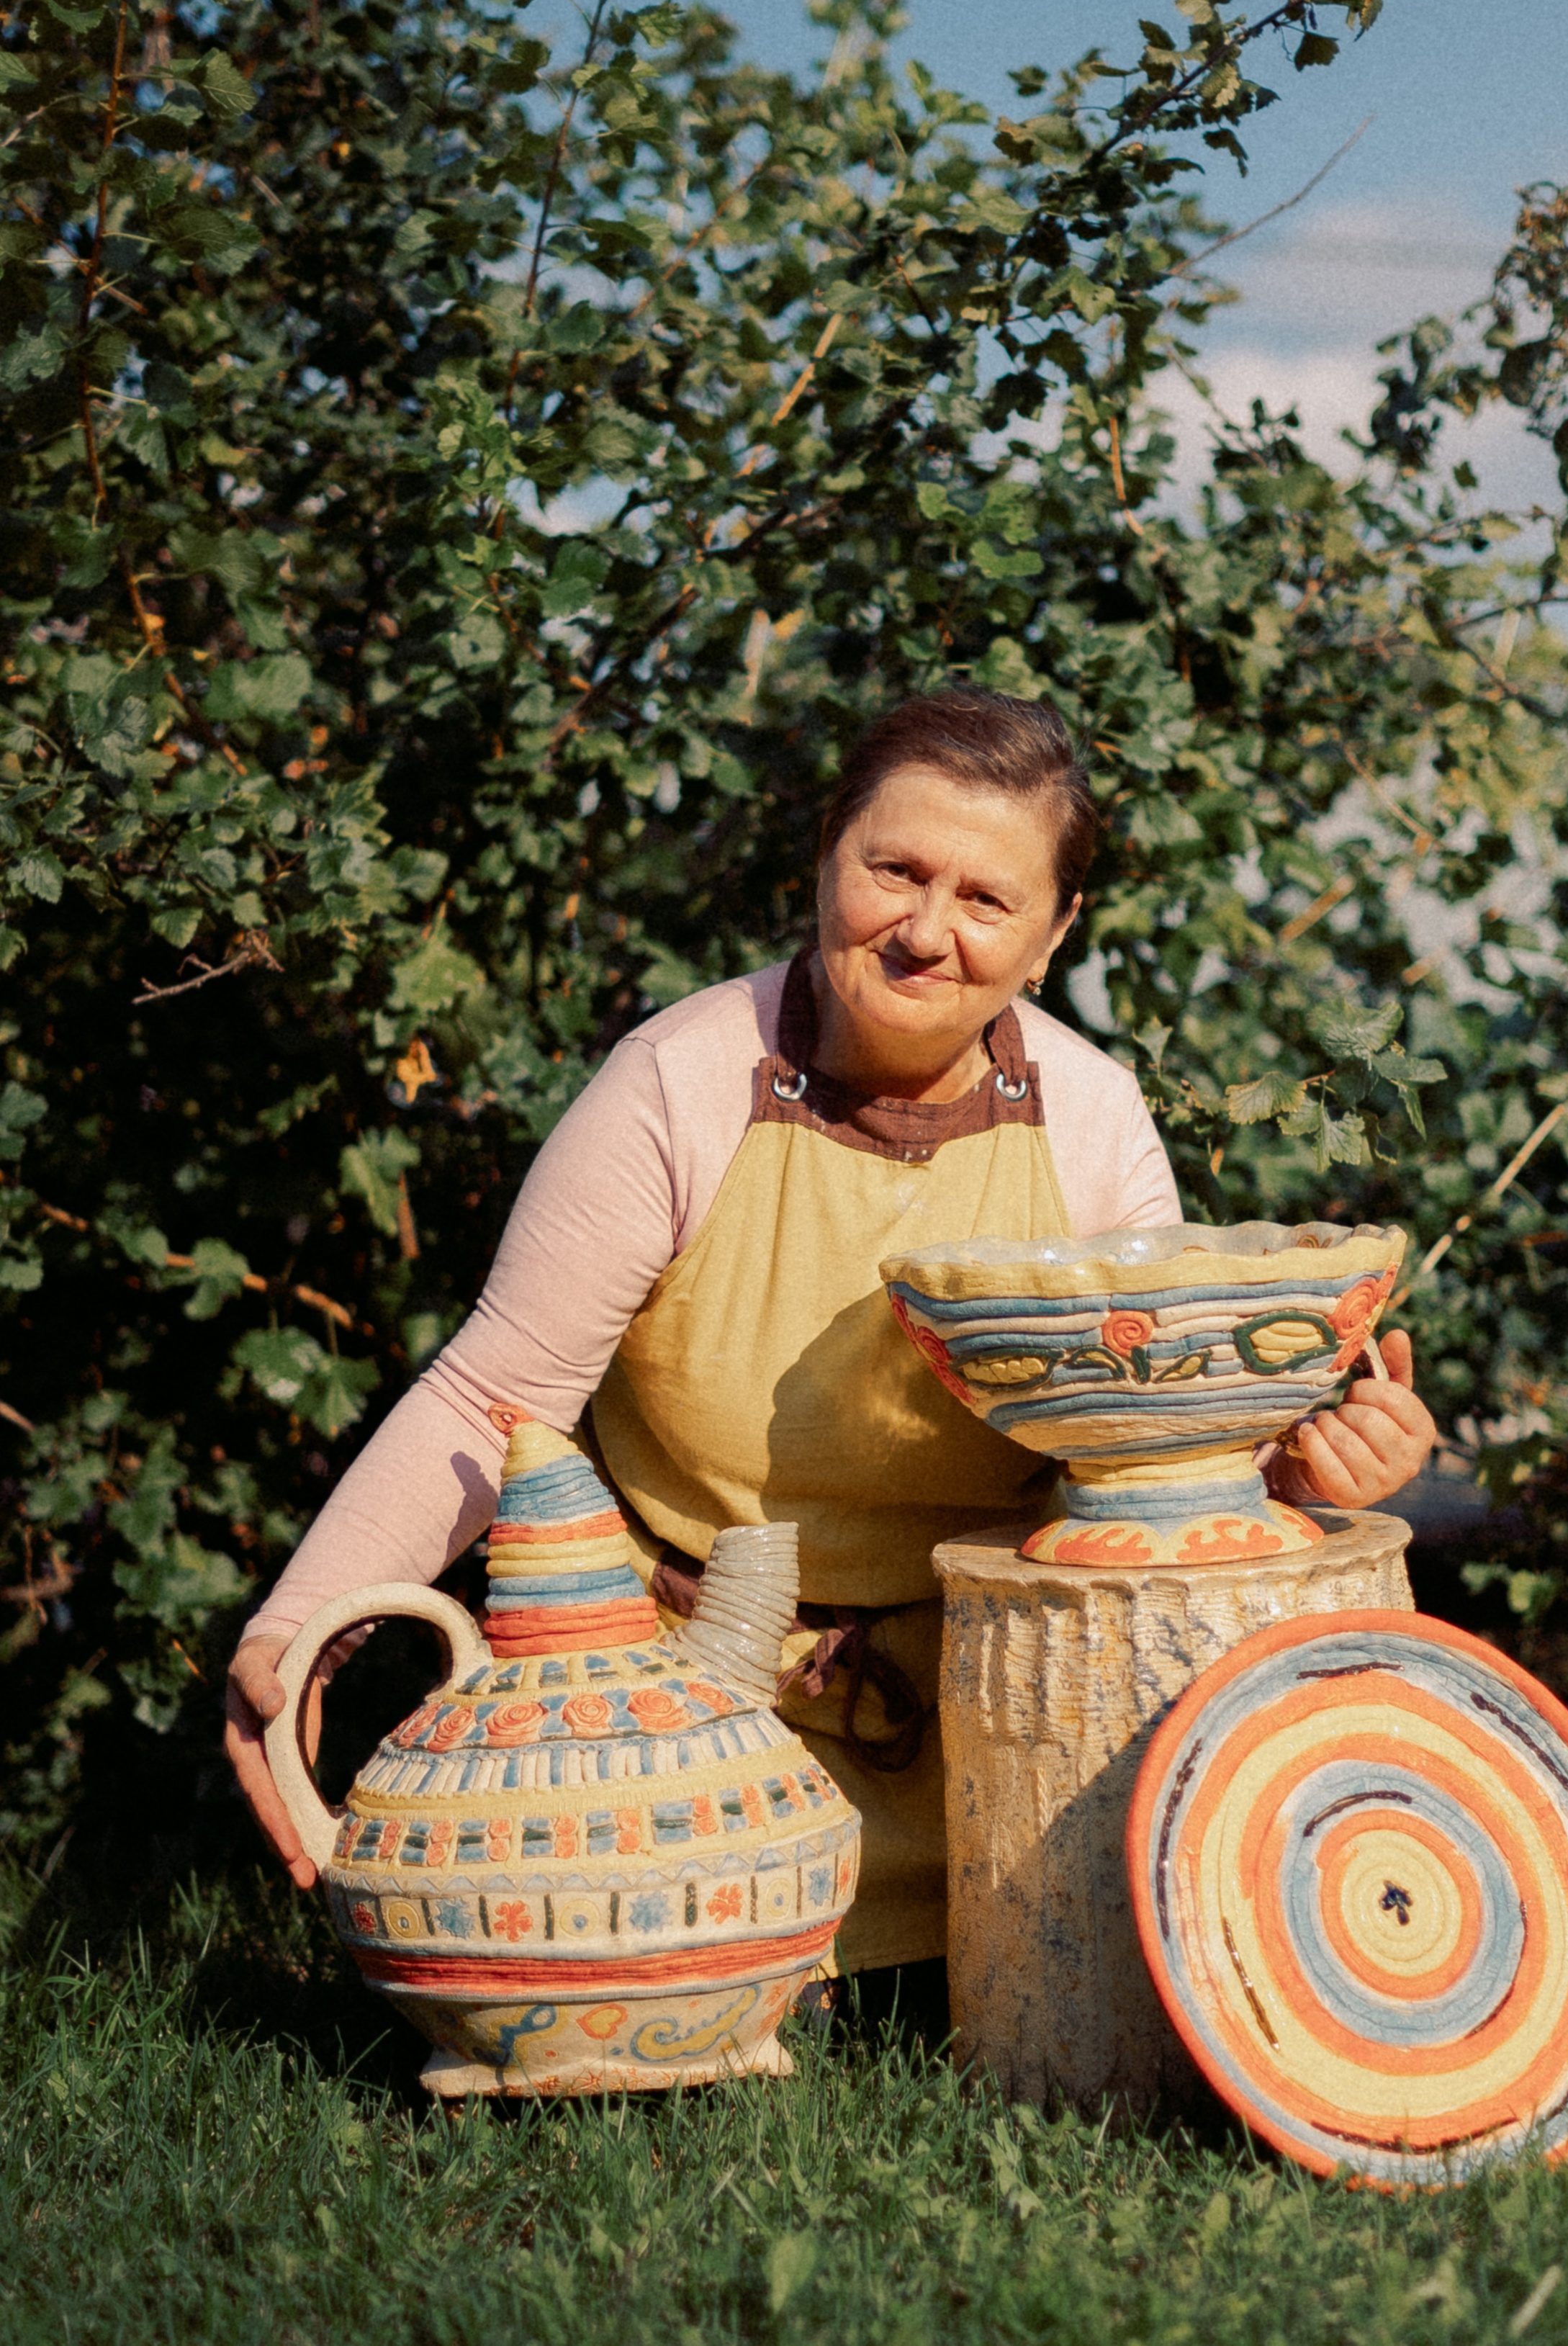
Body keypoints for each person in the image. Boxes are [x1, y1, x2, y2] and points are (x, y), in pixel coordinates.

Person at [225, 688, 1436, 1971]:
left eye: (987, 899)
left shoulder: (1090, 1118)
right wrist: (304, 1626)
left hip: (998, 1740)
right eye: (895, 871)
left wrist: (1294, 1473)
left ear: (1053, 934)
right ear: (824, 859)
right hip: (668, 1734)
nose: (925, 932)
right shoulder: (678, 1083)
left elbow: (1141, 1468)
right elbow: (493, 1399)